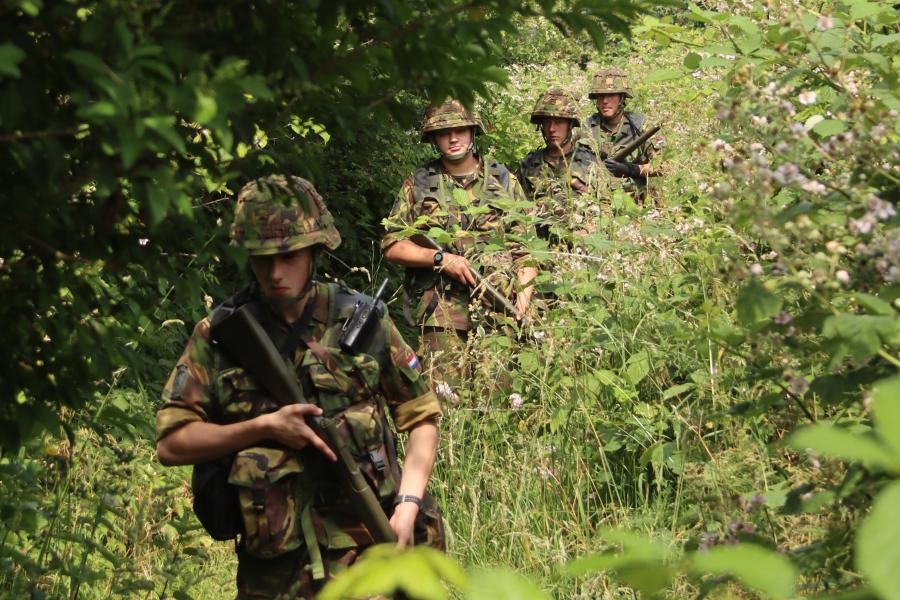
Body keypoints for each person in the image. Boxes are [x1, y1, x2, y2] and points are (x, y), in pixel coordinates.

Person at [156, 175, 442, 599]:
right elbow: (172, 443)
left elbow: (421, 417)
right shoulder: (220, 336)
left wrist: (408, 503)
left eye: (288, 255)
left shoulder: (362, 322)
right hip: (275, 577)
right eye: (261, 258)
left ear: (315, 250)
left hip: (369, 559)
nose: (275, 273)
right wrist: (264, 428)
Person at [381, 99, 537, 391]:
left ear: (473, 131)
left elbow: (525, 250)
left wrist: (524, 298)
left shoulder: (503, 180)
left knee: (496, 403)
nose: (453, 138)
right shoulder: (419, 182)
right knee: (445, 406)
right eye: (444, 133)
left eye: (460, 130)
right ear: (433, 139)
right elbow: (392, 244)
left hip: (496, 309)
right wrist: (440, 258)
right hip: (441, 313)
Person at [517, 87, 603, 240]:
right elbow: (518, 210)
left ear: (570, 125)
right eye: (546, 122)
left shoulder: (590, 162)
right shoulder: (529, 165)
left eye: (558, 122)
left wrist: (588, 232)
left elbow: (606, 207)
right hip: (541, 247)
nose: (551, 129)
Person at [582, 67, 664, 201]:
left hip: (635, 203)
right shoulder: (586, 128)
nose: (605, 101)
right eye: (600, 96)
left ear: (622, 98)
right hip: (596, 203)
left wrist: (630, 169)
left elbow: (663, 166)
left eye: (611, 95)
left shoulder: (642, 126)